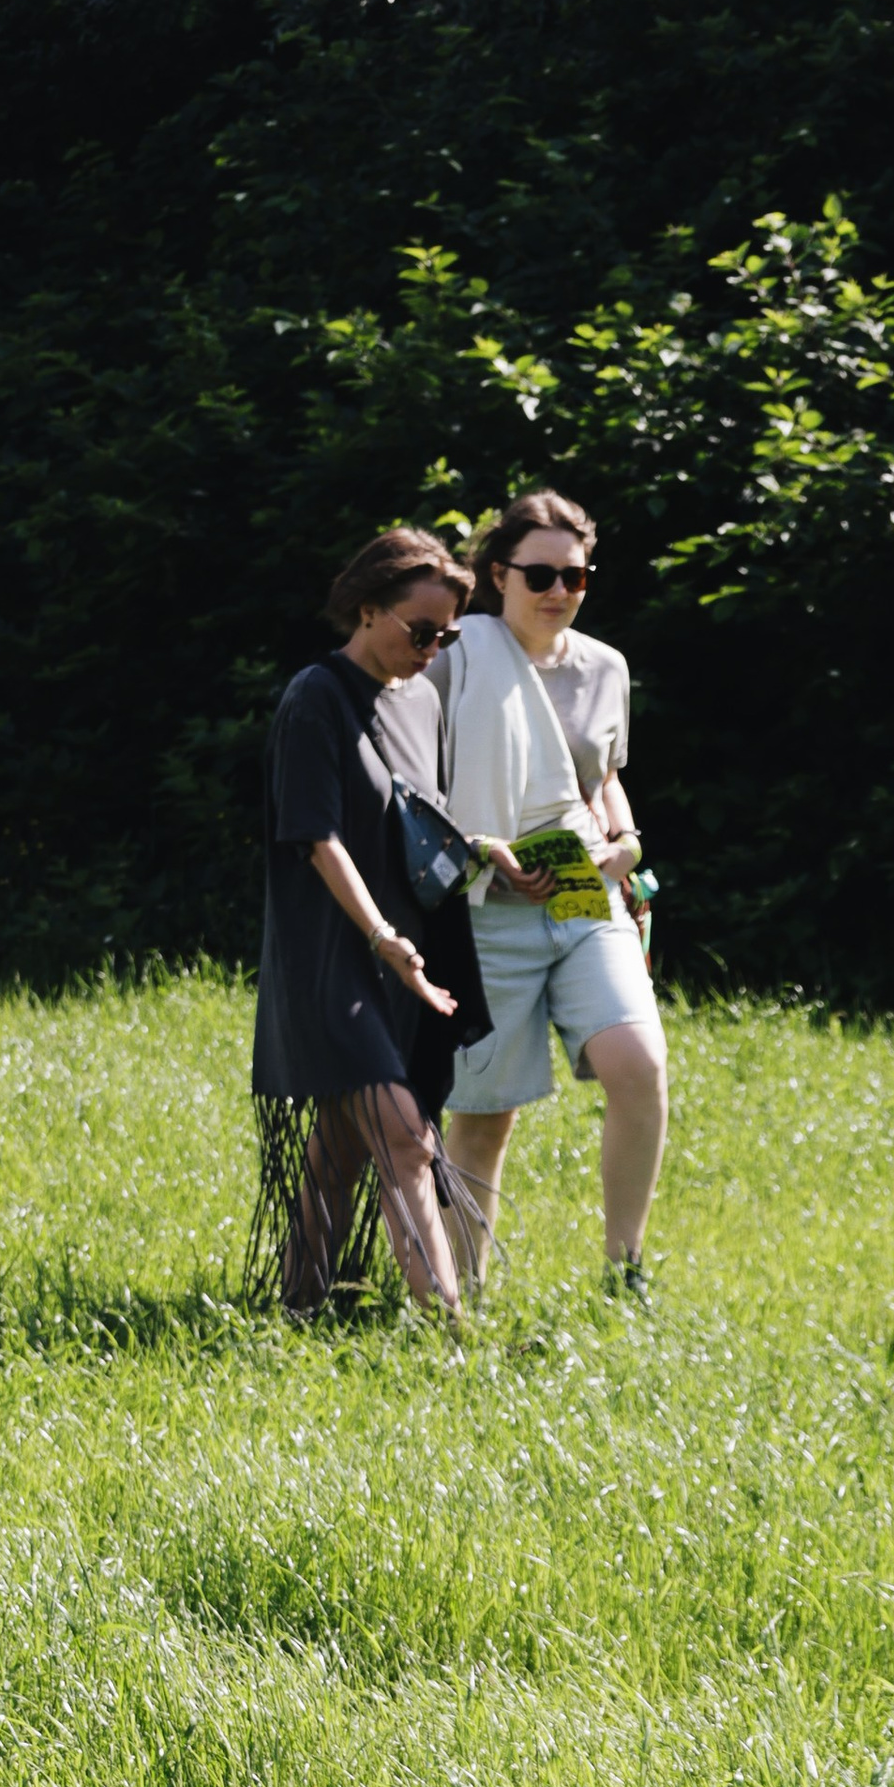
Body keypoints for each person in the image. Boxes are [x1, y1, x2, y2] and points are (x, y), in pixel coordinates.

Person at [250, 529, 493, 1320]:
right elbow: (316, 837)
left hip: (408, 957)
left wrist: (482, 852)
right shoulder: (316, 697)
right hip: (332, 956)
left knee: (342, 1149)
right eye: (419, 630)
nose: (431, 649)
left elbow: (418, 821)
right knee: (405, 1135)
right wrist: (382, 937)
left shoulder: (423, 702)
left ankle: (298, 1308)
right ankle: (448, 1336)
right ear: (367, 610)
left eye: (446, 635)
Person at [430, 488, 667, 1298]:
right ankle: (458, 1296)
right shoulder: (456, 652)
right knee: (487, 1116)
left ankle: (625, 1269)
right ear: (498, 575)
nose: (559, 592)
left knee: (639, 1064)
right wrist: (481, 850)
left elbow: (603, 784)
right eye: (540, 575)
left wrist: (627, 844)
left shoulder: (604, 667)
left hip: (579, 891)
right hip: (486, 900)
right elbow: (415, 782)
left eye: (577, 576)